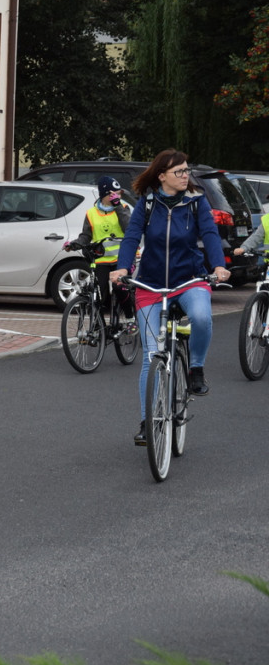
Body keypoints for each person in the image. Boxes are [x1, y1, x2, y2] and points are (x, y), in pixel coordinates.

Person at [109, 149, 230, 446]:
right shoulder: (147, 204)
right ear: (162, 175)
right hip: (150, 285)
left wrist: (218, 267)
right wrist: (122, 268)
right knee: (151, 357)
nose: (185, 175)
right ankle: (147, 422)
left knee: (201, 317)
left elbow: (211, 235)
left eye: (187, 170)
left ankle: (196, 368)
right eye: (179, 171)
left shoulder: (196, 202)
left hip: (189, 279)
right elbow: (132, 236)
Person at [64, 176, 136, 331]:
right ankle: (99, 326)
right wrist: (75, 243)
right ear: (105, 194)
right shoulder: (91, 213)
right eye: (114, 193)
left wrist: (117, 206)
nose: (118, 196)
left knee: (119, 287)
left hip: (122, 260)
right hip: (101, 260)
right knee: (97, 293)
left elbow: (129, 229)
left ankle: (130, 317)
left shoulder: (123, 207)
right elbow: (86, 236)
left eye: (119, 193)